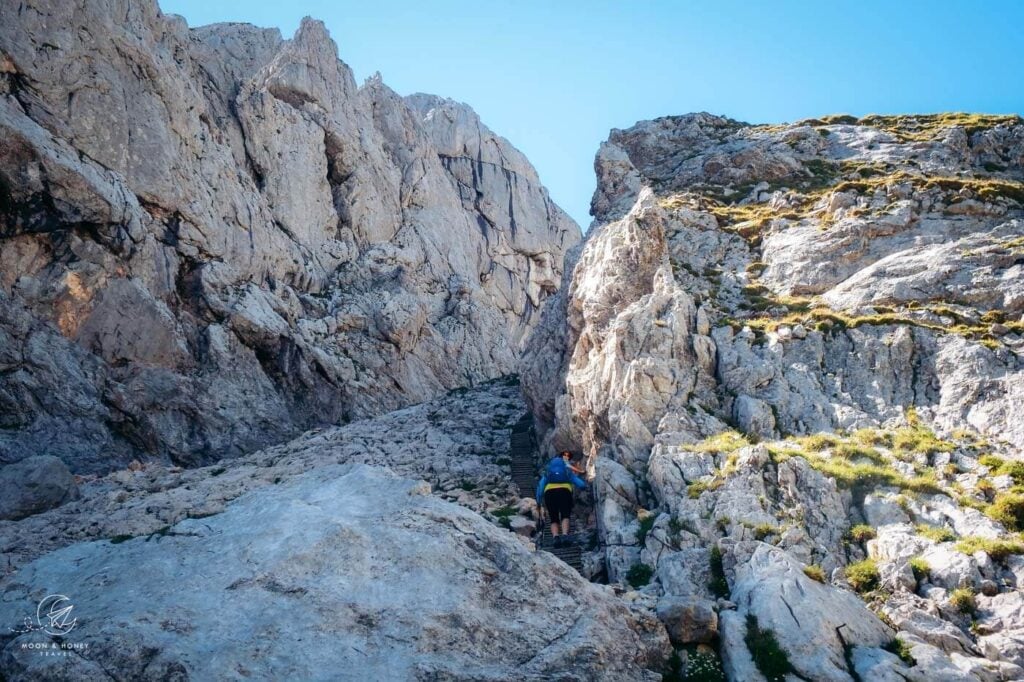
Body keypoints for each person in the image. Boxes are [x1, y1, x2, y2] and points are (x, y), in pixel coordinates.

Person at [536, 451, 587, 547]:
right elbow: (578, 482)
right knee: (565, 515)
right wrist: (584, 486)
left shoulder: (548, 469)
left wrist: (538, 500)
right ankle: (564, 535)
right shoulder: (566, 468)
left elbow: (541, 485)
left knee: (553, 518)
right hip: (564, 492)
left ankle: (555, 537)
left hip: (549, 493)